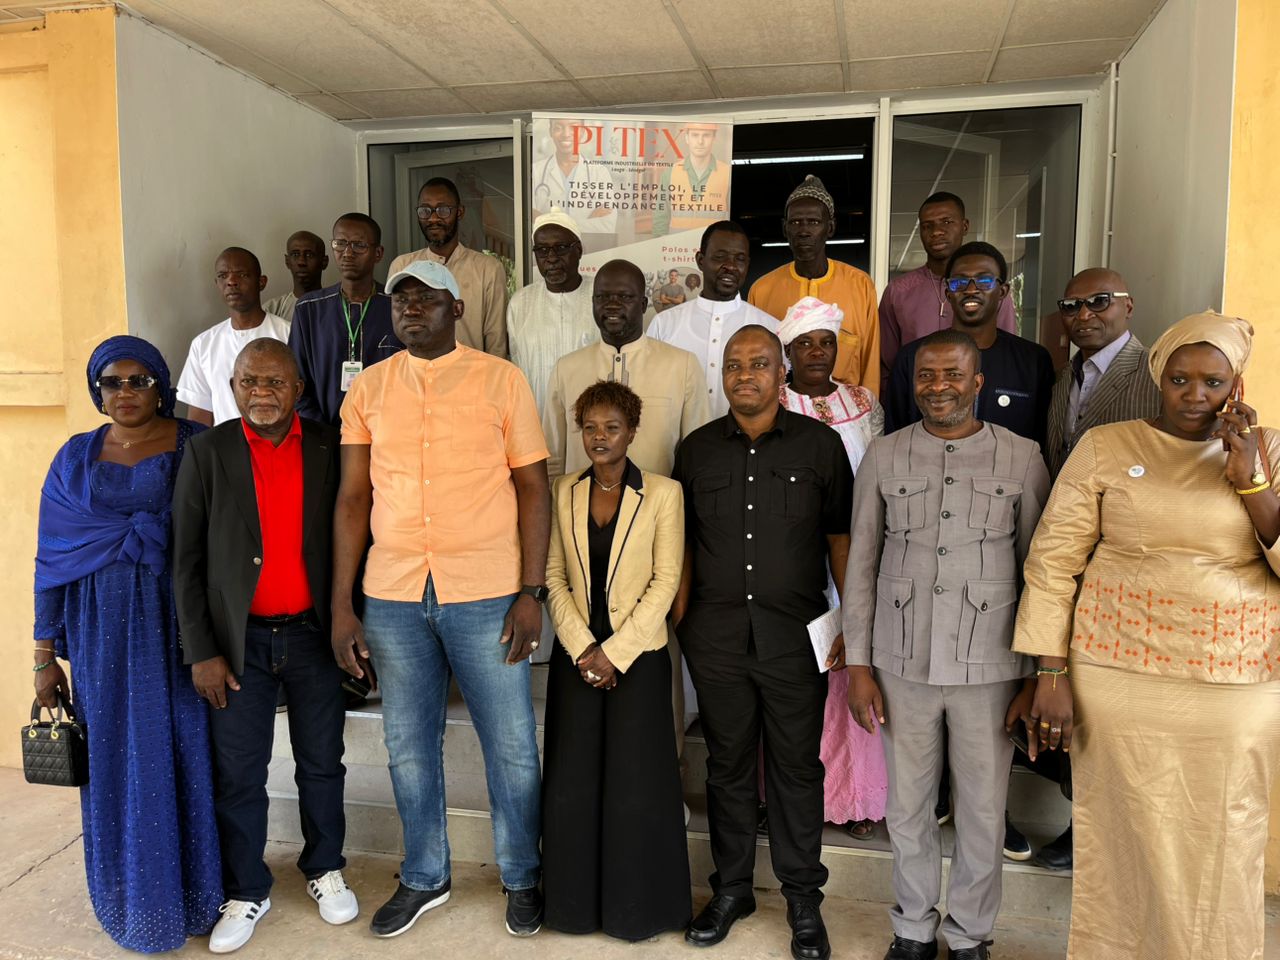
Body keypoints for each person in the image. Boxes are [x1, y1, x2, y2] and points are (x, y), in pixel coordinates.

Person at [1013, 311, 1280, 960]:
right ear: (1159, 377)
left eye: (1213, 382)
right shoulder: (1108, 446)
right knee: (1122, 838)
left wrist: (1250, 477)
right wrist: (1050, 672)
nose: (1195, 395)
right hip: (1119, 676)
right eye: (1180, 379)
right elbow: (1053, 562)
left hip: (1233, 682)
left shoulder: (1270, 449)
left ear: (1237, 385)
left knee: (1226, 834)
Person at [332, 260, 549, 939]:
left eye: (426, 299)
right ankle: (425, 875)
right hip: (393, 594)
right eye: (401, 299)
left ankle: (523, 874)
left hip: (487, 591)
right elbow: (353, 498)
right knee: (407, 744)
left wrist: (532, 592)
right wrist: (342, 605)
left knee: (511, 744)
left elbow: (534, 488)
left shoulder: (501, 380)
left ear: (456, 308)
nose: (411, 309)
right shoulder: (368, 388)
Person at [844, 330, 1050, 960]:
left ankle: (969, 935)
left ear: (977, 382)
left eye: (953, 375)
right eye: (926, 376)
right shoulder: (885, 454)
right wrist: (859, 665)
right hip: (901, 661)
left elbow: (1040, 572)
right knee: (907, 807)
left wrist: (1036, 675)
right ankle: (912, 929)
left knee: (983, 811)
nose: (939, 387)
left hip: (990, 667)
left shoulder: (1022, 457)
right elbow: (862, 562)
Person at [32, 336, 221, 953]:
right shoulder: (74, 457)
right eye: (113, 381)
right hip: (99, 634)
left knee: (184, 752)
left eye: (140, 380)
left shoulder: (196, 443)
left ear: (162, 385)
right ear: (98, 391)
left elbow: (221, 536)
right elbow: (52, 557)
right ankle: (133, 899)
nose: (126, 392)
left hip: (179, 627)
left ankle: (197, 895)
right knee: (115, 757)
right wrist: (43, 657)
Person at [674, 324, 853, 960]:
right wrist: (680, 624)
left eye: (758, 364)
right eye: (733, 365)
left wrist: (851, 625)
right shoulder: (696, 450)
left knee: (796, 769)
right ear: (721, 375)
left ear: (782, 374)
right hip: (716, 639)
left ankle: (803, 899)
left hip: (794, 639)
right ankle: (732, 890)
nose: (744, 375)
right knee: (726, 768)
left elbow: (841, 539)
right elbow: (682, 544)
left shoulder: (820, 445)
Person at [173, 339, 354, 953]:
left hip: (313, 635)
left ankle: (325, 867)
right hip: (238, 642)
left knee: (322, 762)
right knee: (239, 772)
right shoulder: (207, 452)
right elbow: (185, 560)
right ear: (232, 388)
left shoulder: (330, 446)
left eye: (275, 382)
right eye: (249, 381)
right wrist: (201, 650)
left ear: (298, 389)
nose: (262, 393)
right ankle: (247, 888)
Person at [542, 380, 690, 940]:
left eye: (611, 427)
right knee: (573, 783)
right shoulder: (564, 491)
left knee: (636, 785)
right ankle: (573, 909)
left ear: (632, 431)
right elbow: (554, 575)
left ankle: (639, 912)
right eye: (589, 427)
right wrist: (583, 646)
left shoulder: (664, 493)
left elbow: (666, 582)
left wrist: (615, 653)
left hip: (638, 659)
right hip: (576, 656)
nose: (599, 437)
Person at [776, 298, 888, 840]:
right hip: (794, 555)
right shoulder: (774, 401)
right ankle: (787, 795)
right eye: (805, 343)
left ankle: (856, 796)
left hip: (857, 549)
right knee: (796, 676)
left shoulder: (864, 401)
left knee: (851, 666)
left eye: (826, 342)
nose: (817, 352)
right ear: (788, 352)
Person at [543, 259, 707, 480]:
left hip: (658, 502)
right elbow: (552, 458)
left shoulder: (682, 365)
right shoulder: (566, 369)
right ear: (592, 303)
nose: (612, 305)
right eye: (602, 297)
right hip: (578, 502)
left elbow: (699, 457)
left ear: (643, 304)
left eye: (625, 297)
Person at [884, 242, 1054, 453]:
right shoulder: (913, 358)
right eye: (959, 282)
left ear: (1002, 291)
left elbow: (1042, 441)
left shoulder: (1033, 361)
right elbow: (896, 438)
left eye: (984, 281)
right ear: (948, 293)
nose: (971, 290)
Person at [748, 174, 880, 394]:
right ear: (785, 228)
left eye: (814, 222)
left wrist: (868, 409)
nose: (804, 231)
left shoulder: (860, 285)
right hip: (780, 408)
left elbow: (871, 361)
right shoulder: (762, 290)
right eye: (795, 222)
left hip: (846, 407)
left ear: (831, 227)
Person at [648, 220, 778, 421]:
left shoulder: (770, 328)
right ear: (700, 260)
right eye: (720, 257)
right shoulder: (664, 324)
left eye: (739, 259)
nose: (730, 266)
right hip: (677, 441)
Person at [878, 193, 1017, 379]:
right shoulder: (898, 291)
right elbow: (887, 363)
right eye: (927, 226)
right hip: (917, 392)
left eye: (946, 222)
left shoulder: (989, 289)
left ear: (964, 226)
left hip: (981, 391)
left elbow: (1006, 352)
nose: (936, 232)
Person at [1046, 268, 1160, 478]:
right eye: (1071, 306)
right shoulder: (1059, 377)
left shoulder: (1158, 373)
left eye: (1099, 301)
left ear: (1128, 307)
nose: (1083, 315)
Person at [289, 213, 401, 426]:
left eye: (359, 245)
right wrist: (322, 431)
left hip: (386, 433)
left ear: (378, 253)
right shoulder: (309, 308)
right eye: (340, 244)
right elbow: (296, 382)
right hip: (323, 434)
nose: (348, 253)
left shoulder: (397, 306)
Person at [386, 176, 509, 357]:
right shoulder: (402, 266)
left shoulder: (487, 269)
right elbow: (396, 334)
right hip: (414, 372)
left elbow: (496, 342)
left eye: (443, 210)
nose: (433, 218)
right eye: (425, 210)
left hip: (471, 372)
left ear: (460, 212)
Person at [178, 247, 290, 426]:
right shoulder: (203, 344)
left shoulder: (289, 334)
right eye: (223, 276)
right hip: (224, 442)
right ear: (217, 283)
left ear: (261, 282)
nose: (231, 281)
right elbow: (200, 416)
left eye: (242, 275)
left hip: (279, 440)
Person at [506, 209, 598, 415]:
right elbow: (516, 367)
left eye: (561, 248)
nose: (551, 258)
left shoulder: (600, 295)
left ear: (579, 250)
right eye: (542, 250)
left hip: (592, 422)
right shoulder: (520, 303)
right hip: (536, 418)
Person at [531, 117, 618, 241]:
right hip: (550, 249)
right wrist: (587, 221)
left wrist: (550, 223)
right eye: (558, 128)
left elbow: (607, 225)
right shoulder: (535, 171)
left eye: (573, 127)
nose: (566, 134)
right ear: (551, 131)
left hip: (590, 247)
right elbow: (530, 219)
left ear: (582, 131)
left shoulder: (599, 172)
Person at [652, 122, 730, 238]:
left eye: (706, 135)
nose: (700, 141)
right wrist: (660, 244)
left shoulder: (727, 173)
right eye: (695, 135)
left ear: (714, 138)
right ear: (687, 138)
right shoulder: (670, 173)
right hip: (676, 246)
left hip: (712, 247)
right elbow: (660, 217)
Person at [263, 230, 328, 323]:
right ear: (287, 261)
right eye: (295, 254)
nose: (301, 262)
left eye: (309, 255)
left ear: (324, 262)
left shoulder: (338, 306)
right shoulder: (271, 310)